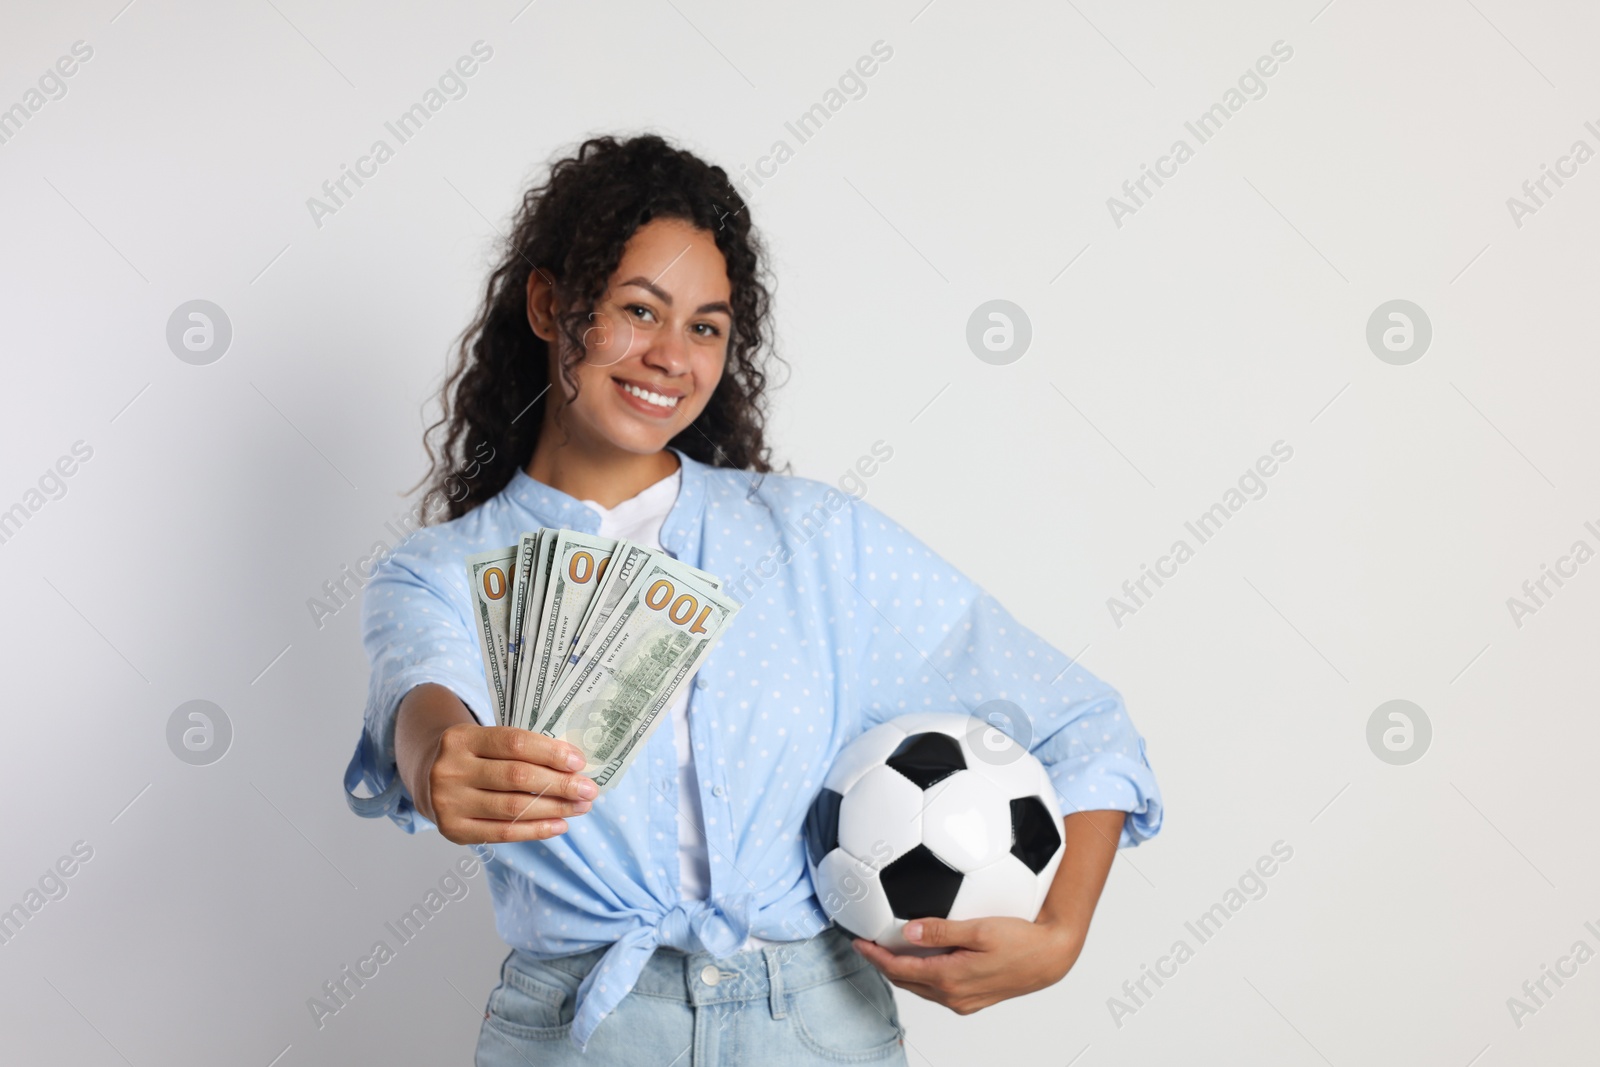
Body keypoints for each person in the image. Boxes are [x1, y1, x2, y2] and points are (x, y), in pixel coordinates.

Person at [343, 133, 1163, 1066]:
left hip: (815, 1025)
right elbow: (421, 699)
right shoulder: (441, 572)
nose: (668, 356)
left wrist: (1059, 934)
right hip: (584, 1030)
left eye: (705, 326)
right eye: (637, 310)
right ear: (549, 305)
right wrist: (440, 757)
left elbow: (1086, 725)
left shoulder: (813, 538)